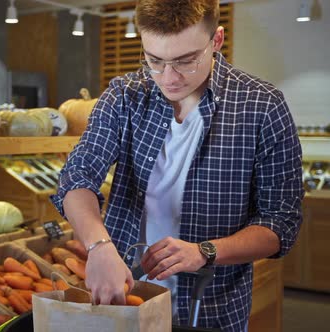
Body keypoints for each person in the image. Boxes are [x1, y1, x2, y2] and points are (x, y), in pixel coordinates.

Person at [51, 0, 304, 330]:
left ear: (216, 40)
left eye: (186, 61)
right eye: (155, 60)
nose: (168, 78)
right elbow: (77, 177)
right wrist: (99, 247)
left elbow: (280, 222)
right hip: (123, 300)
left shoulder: (262, 107)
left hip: (214, 307)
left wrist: (206, 251)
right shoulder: (123, 96)